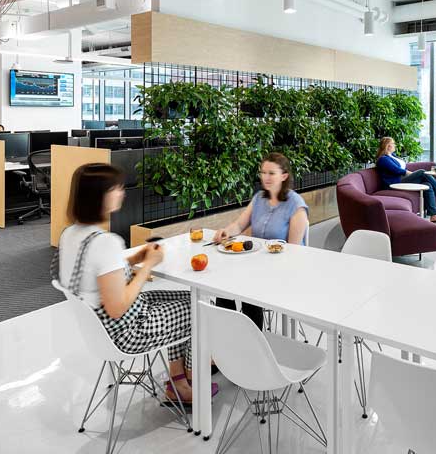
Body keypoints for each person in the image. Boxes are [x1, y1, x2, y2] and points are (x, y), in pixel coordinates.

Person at [58, 163, 210, 403]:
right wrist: (148, 265)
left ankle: (178, 378)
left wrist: (134, 259)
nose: (122, 192)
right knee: (200, 309)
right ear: (99, 196)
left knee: (188, 298)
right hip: (126, 332)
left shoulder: (70, 235)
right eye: (116, 188)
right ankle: (192, 379)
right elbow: (117, 308)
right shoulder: (106, 242)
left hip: (99, 328)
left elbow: (97, 272)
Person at [213, 152, 309, 329]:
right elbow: (239, 224)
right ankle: (227, 337)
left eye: (271, 173)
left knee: (249, 287)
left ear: (284, 176)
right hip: (256, 264)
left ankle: (252, 344)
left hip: (283, 270)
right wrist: (226, 232)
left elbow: (294, 252)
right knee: (224, 285)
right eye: (263, 172)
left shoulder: (296, 206)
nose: (266, 177)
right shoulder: (258, 198)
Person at [374, 136, 436, 224]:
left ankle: (433, 215)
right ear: (388, 146)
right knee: (422, 172)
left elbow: (401, 167)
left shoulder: (391, 156)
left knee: (428, 185)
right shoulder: (383, 159)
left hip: (401, 180)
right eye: (393, 144)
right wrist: (413, 174)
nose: (395, 145)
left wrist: (413, 175)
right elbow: (397, 170)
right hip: (394, 184)